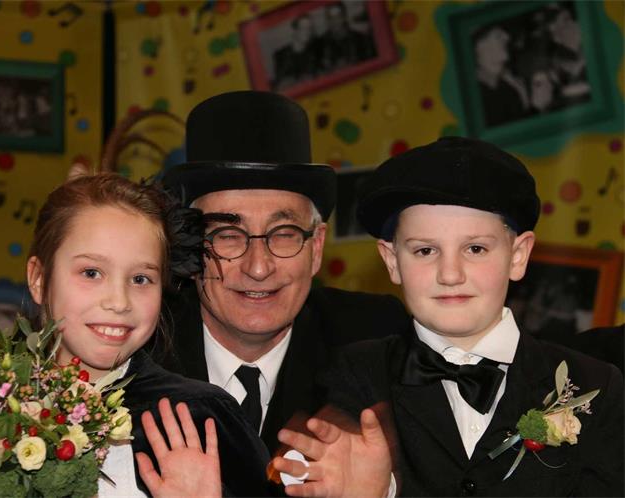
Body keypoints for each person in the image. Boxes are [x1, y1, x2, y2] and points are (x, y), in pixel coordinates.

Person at [0, 174, 269, 497]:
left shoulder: (197, 419)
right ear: (39, 278)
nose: (118, 301)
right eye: (91, 273)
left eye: (140, 279)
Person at [275, 136, 624, 496]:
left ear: (518, 255)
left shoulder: (596, 385)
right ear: (392, 260)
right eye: (425, 251)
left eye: (476, 248)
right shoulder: (355, 375)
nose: (450, 274)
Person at [161, 90, 411, 455]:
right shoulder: (140, 349)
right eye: (227, 235)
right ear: (191, 246)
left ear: (317, 247)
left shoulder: (375, 341)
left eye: (283, 234)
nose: (258, 267)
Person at [272, 14, 319, 91]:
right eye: (303, 28)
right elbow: (280, 86)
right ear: (295, 30)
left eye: (309, 28)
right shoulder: (281, 55)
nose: (307, 32)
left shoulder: (314, 52)